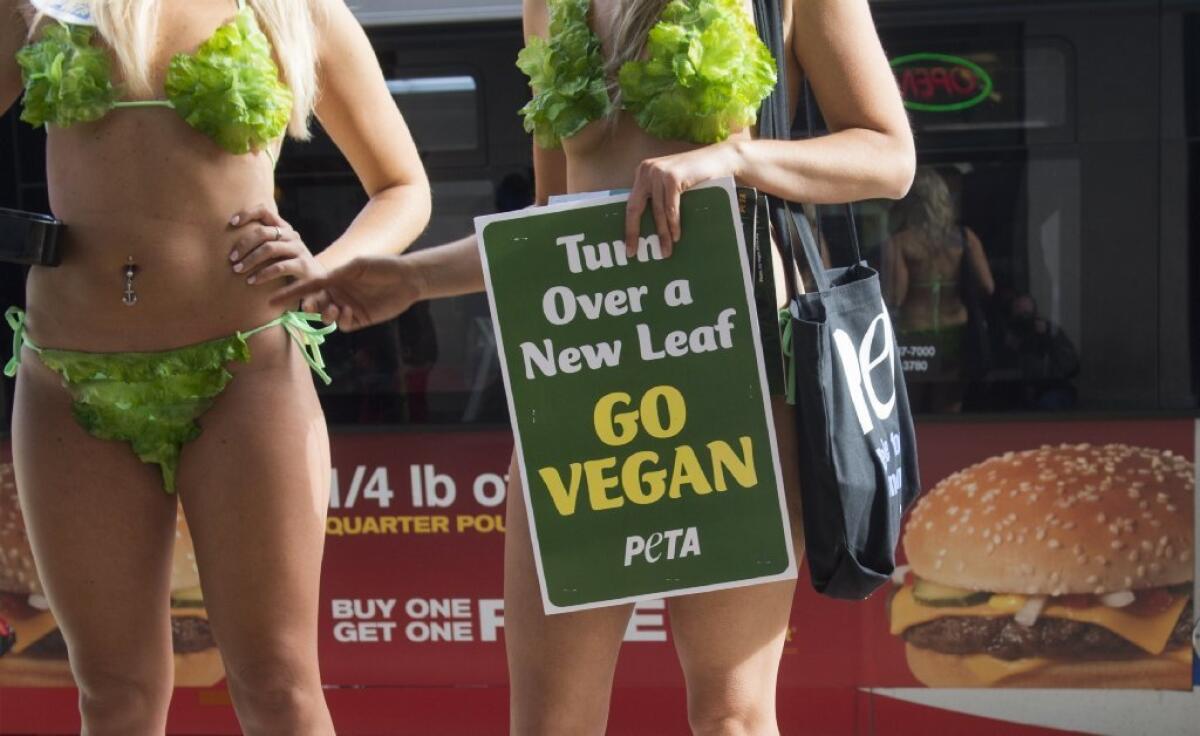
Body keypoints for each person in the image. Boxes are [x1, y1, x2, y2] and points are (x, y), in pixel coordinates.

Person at [276, 0, 913, 732]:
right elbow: (554, 223)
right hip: (582, 366)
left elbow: (889, 156)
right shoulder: (545, 4)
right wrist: (413, 278)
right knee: (549, 721)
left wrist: (736, 159)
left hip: (728, 363)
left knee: (733, 715)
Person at [0, 0, 430, 733]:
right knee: (112, 693)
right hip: (67, 374)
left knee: (278, 685)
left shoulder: (297, 11)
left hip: (244, 369)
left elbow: (402, 185)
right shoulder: (42, 5)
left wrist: (327, 270)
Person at [882, 166, 994, 413]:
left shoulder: (901, 242)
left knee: (914, 411)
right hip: (956, 329)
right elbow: (988, 286)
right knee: (949, 407)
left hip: (915, 332)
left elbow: (896, 296)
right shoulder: (965, 238)